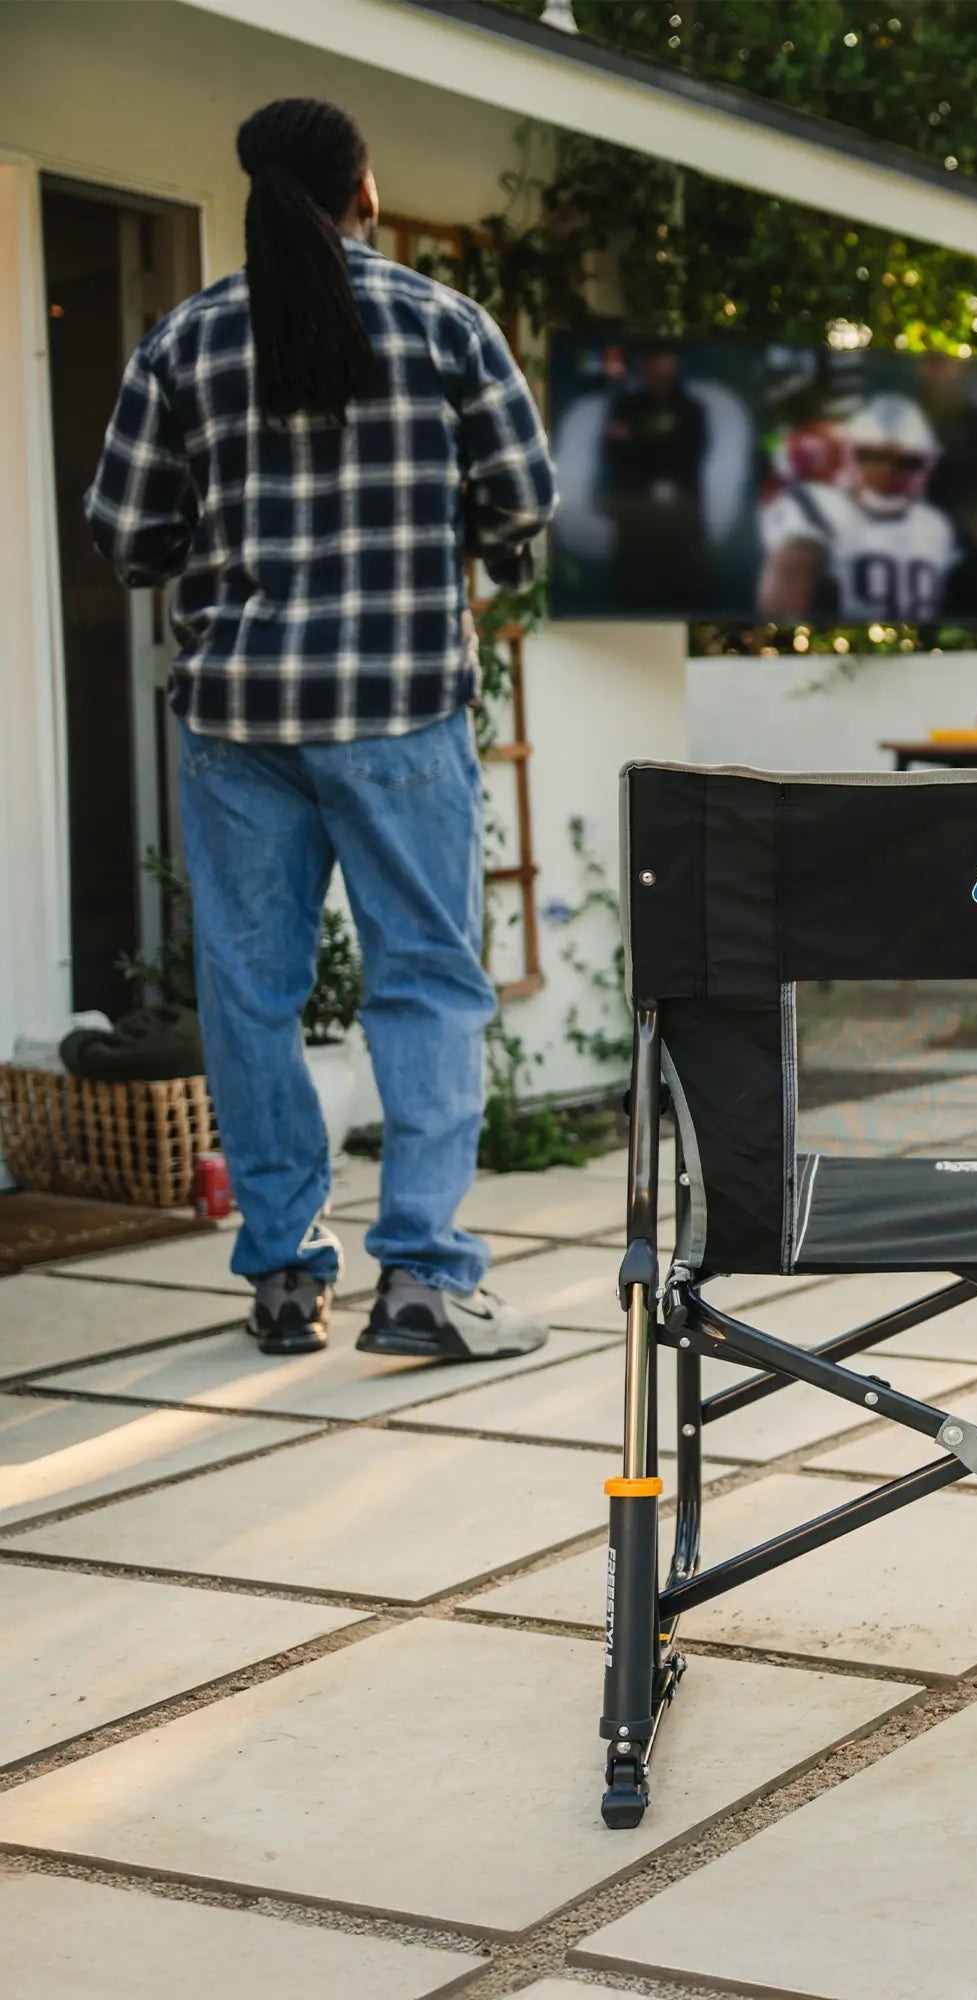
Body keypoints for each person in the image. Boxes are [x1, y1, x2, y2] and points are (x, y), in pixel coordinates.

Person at [84, 97, 559, 1357]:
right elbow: (525, 499)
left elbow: (124, 533)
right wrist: (461, 548)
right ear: (364, 191)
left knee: (251, 993)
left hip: (239, 718)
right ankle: (422, 1281)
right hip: (400, 709)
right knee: (425, 980)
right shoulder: (443, 324)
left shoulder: (183, 343)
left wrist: (226, 553)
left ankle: (285, 1278)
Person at [758, 393, 958, 622]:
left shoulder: (937, 526)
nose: (887, 472)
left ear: (928, 465)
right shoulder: (818, 504)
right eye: (872, 456)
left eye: (907, 463)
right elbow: (793, 568)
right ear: (848, 453)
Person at [600, 347, 711, 613]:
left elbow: (689, 455)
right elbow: (615, 451)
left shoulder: (691, 409)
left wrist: (640, 444)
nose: (657, 367)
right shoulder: (625, 407)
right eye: (650, 360)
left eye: (662, 358)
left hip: (682, 527)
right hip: (635, 524)